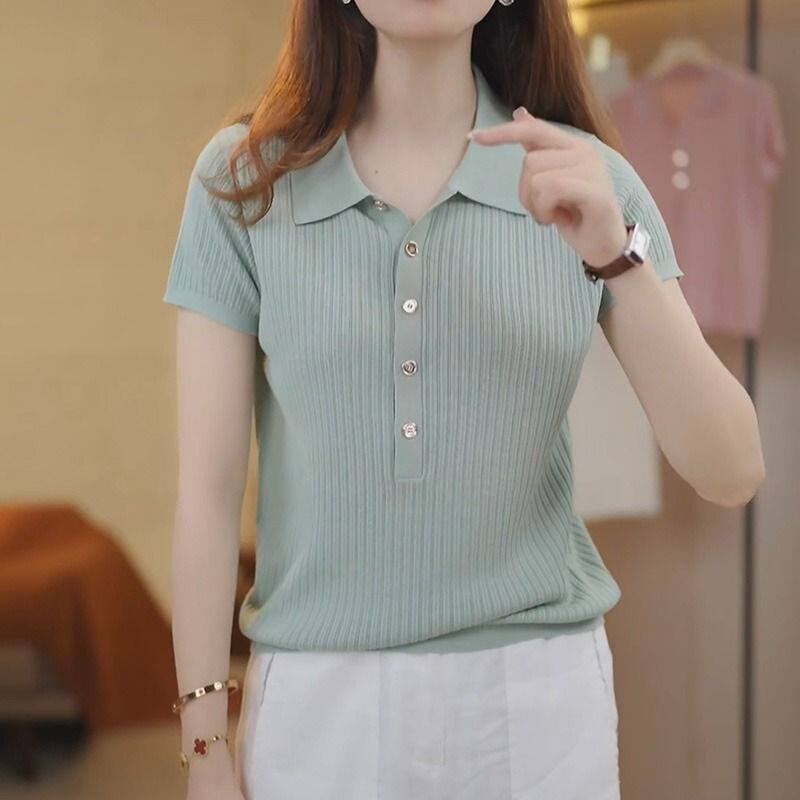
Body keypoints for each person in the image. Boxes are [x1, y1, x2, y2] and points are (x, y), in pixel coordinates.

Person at [163, 1, 766, 799]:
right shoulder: (242, 182)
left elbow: (732, 470)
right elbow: (206, 499)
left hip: (539, 705)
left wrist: (615, 255)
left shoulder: (592, 179)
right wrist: (205, 749)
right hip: (318, 706)